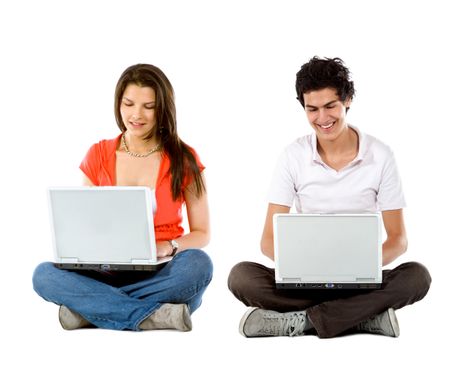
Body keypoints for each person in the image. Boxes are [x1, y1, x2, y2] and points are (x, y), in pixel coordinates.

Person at [228, 56, 431, 338]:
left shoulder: (381, 155)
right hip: (306, 278)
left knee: (416, 276)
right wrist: (304, 267)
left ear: (347, 100)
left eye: (330, 106)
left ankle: (305, 321)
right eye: (312, 109)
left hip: (360, 278)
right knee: (241, 277)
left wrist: (358, 267)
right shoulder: (293, 156)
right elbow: (268, 240)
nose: (322, 119)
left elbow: (398, 239)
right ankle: (362, 317)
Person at [33, 64, 213, 331]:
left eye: (148, 106)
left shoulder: (184, 159)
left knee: (199, 266)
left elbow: (202, 233)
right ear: (118, 103)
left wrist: (171, 245)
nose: (136, 115)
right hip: (103, 271)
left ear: (162, 108)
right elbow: (85, 225)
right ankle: (155, 315)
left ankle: (90, 310)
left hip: (159, 271)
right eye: (128, 104)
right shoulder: (99, 154)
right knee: (43, 275)